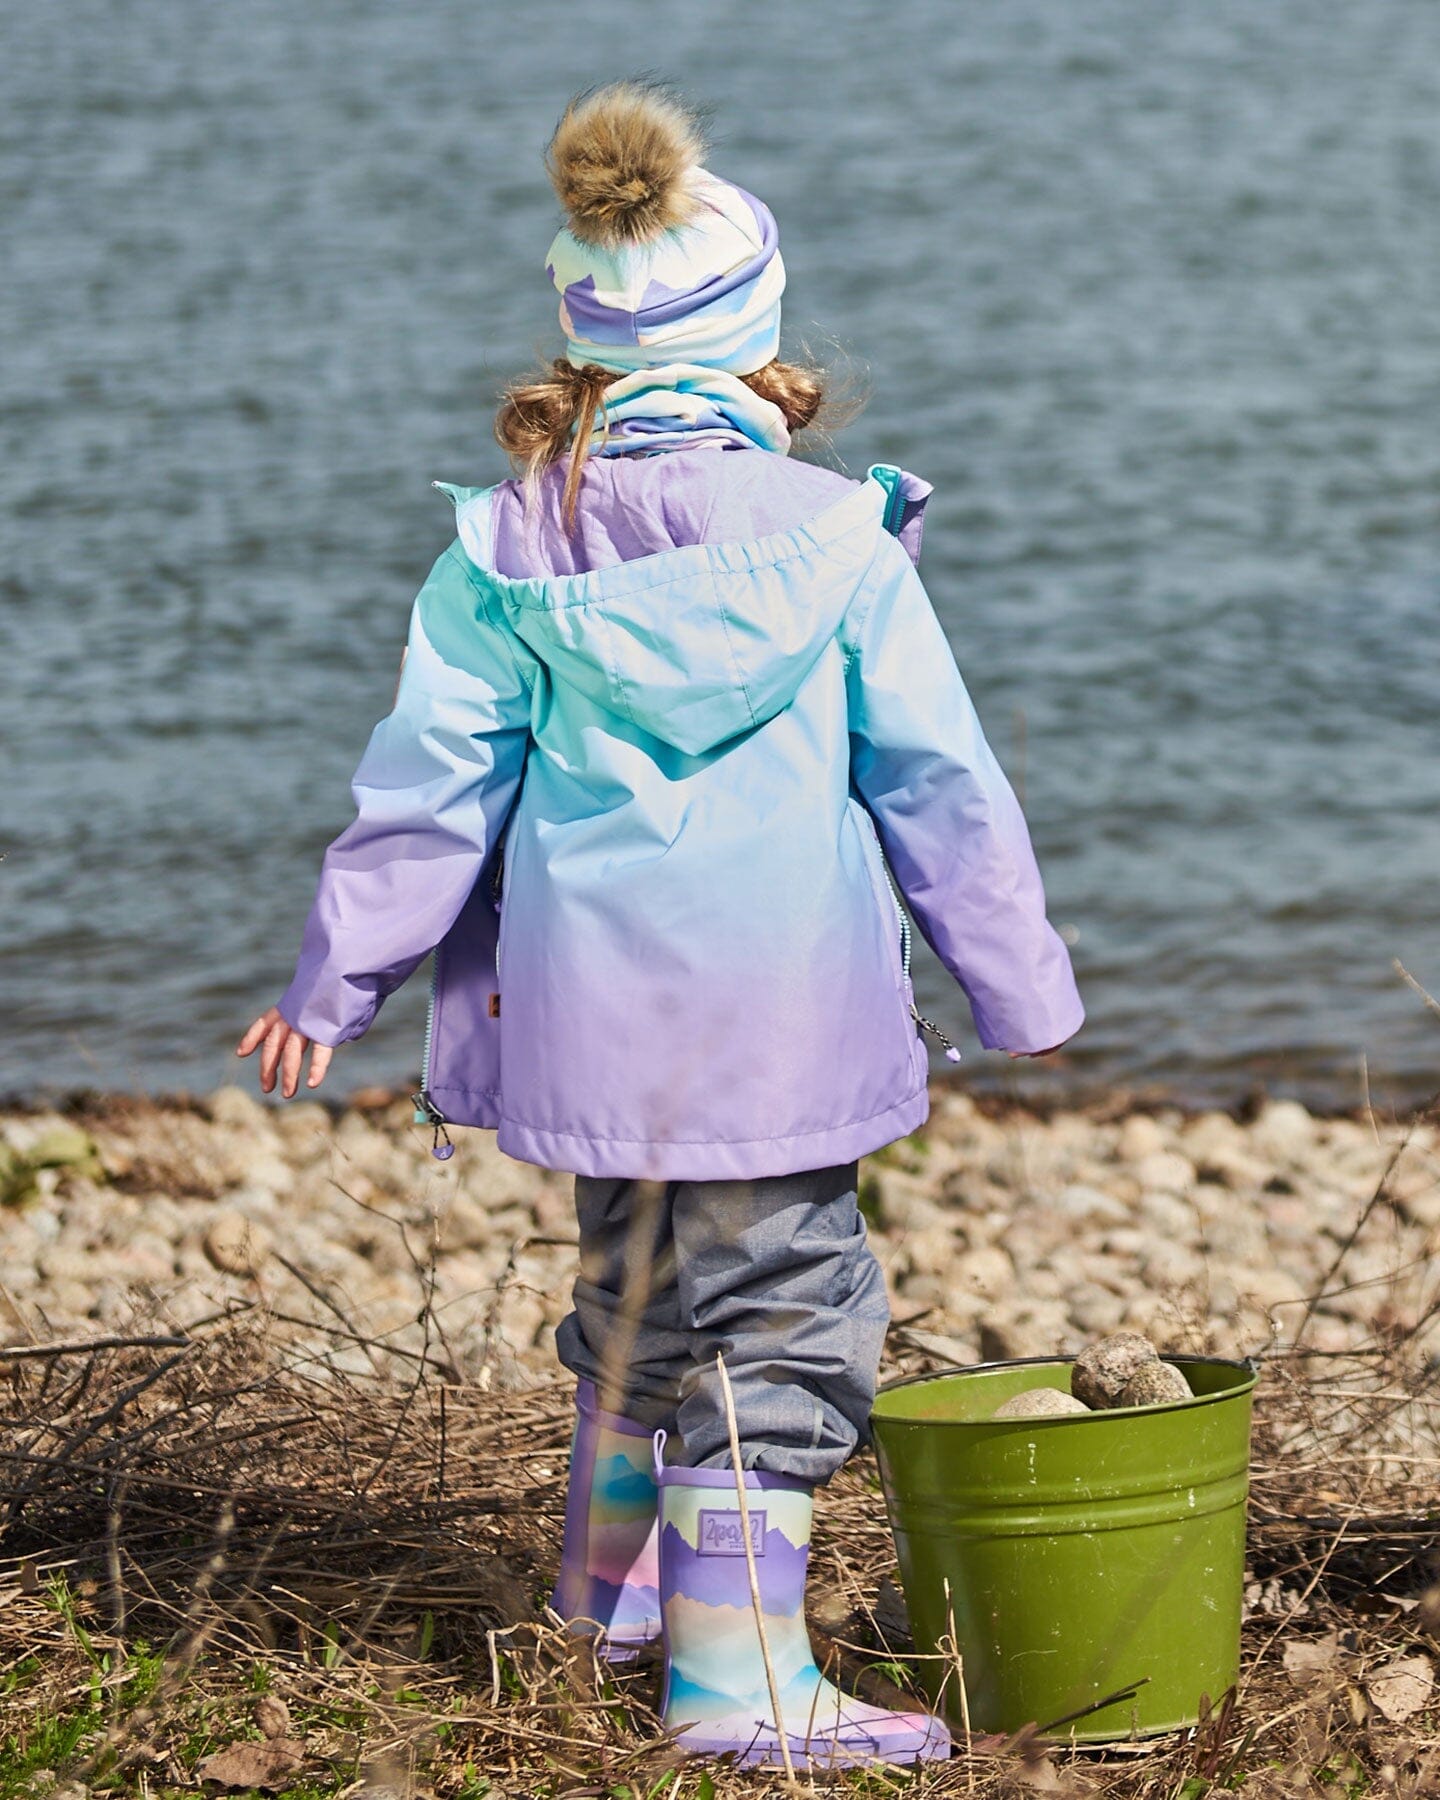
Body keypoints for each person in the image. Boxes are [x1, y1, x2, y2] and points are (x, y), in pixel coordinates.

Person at [238, 80, 1082, 1772]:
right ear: (763, 353)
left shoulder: (504, 546)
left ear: (590, 352)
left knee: (636, 1292)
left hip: (583, 1012)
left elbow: (427, 791)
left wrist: (336, 983)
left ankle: (607, 1603)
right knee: (785, 1318)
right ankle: (738, 1682)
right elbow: (941, 785)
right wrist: (1018, 985)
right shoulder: (838, 540)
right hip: (779, 1017)